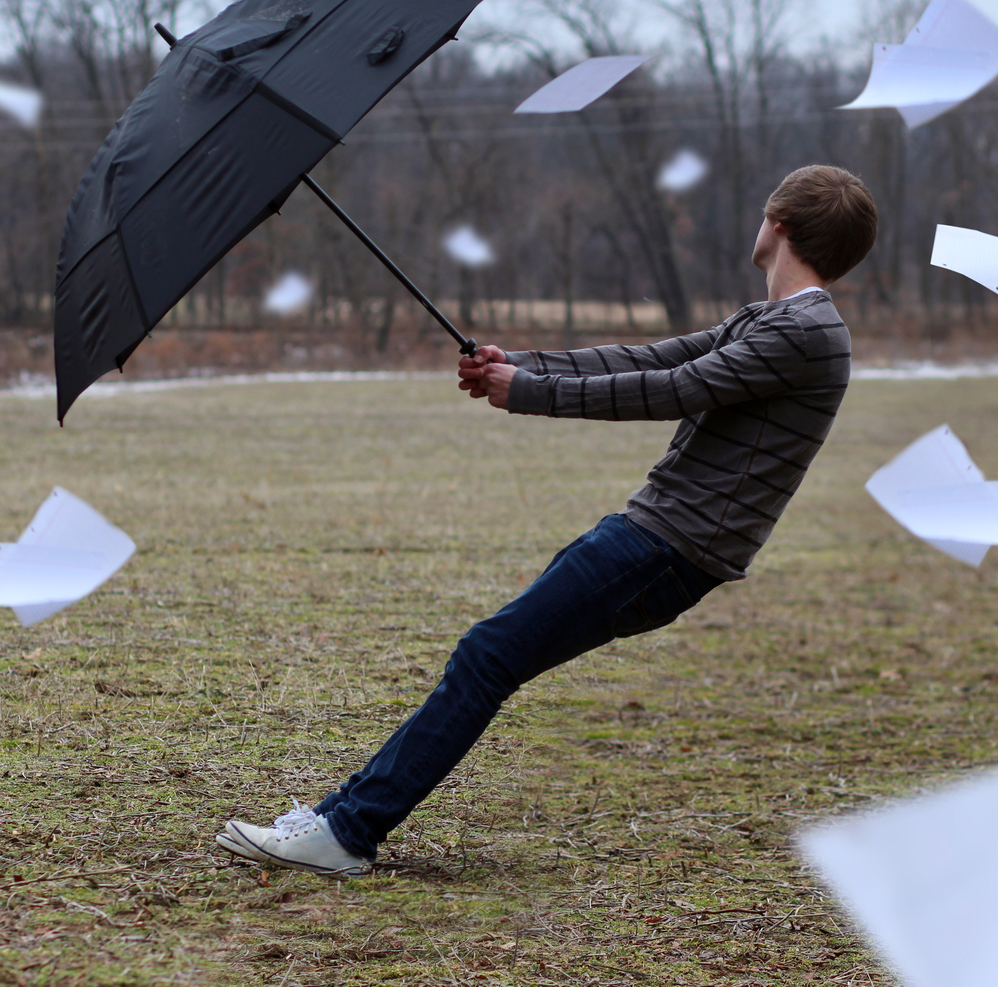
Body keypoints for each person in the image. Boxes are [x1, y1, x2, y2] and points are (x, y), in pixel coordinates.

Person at [216, 164, 878, 875]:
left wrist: (527, 392)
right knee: (489, 654)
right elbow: (648, 355)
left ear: (776, 224)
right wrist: (518, 362)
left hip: (670, 546)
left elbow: (674, 388)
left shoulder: (804, 331)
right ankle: (335, 818)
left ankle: (347, 835)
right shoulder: (775, 320)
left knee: (488, 655)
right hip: (660, 536)